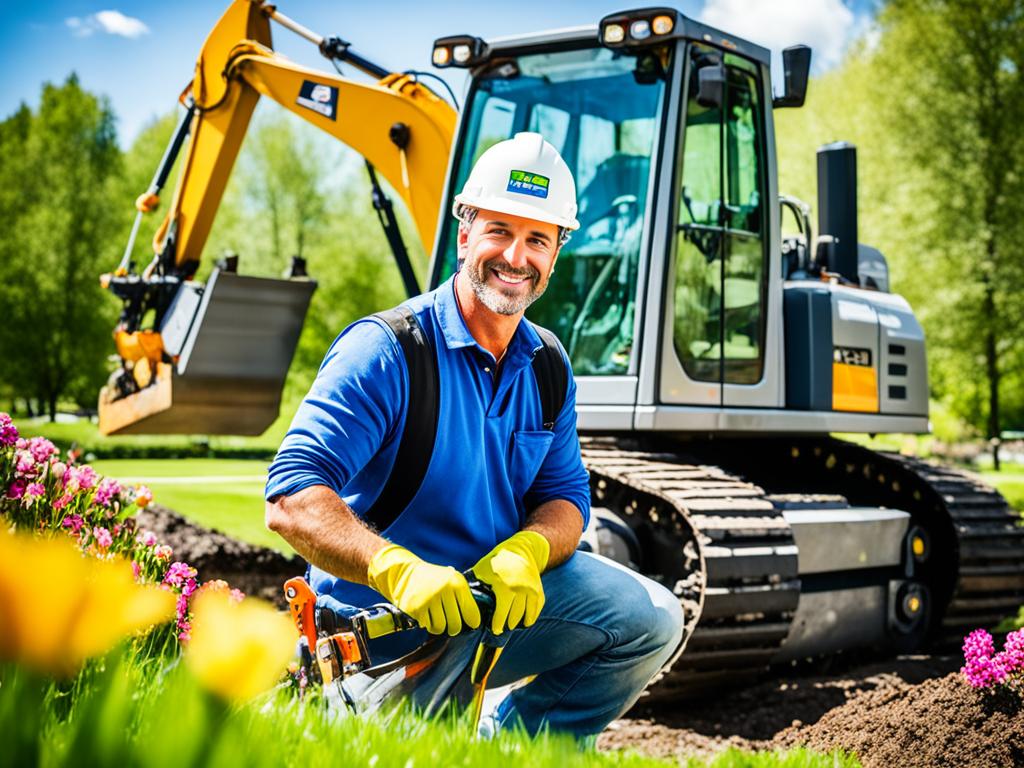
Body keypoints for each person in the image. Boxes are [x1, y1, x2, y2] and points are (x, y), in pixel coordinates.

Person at [264, 132, 684, 741]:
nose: (516, 255)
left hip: (486, 612)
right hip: (383, 631)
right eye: (499, 231)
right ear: (465, 233)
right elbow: (290, 497)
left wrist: (530, 550)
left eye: (537, 238)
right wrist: (395, 568)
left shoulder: (547, 364)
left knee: (650, 619)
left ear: (556, 251)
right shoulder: (388, 350)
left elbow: (566, 498)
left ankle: (517, 746)